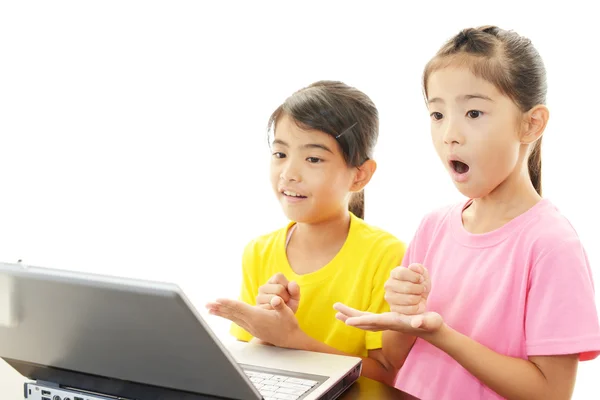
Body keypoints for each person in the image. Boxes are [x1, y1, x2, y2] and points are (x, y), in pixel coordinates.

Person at [335, 26, 600, 399]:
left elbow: (551, 392)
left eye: (473, 112)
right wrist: (404, 311)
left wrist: (441, 335)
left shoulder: (552, 245)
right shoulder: (433, 226)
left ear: (531, 123)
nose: (449, 134)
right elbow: (394, 361)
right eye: (437, 114)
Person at [206, 80, 406, 384]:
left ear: (359, 175)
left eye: (313, 159)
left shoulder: (385, 255)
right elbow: (249, 364)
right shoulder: (258, 252)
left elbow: (385, 374)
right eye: (280, 154)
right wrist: (266, 332)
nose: (289, 174)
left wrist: (292, 339)